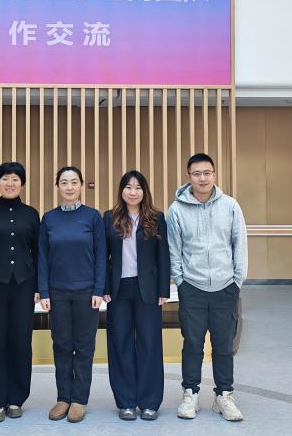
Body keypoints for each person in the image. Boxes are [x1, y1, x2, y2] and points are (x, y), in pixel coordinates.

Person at [167, 153, 248, 422]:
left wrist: (237, 281)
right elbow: (174, 250)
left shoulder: (230, 206)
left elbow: (239, 244)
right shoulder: (177, 210)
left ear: (214, 174)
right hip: (192, 287)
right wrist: (181, 282)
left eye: (207, 173)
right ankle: (190, 394)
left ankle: (223, 395)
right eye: (197, 174)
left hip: (225, 287)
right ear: (188, 177)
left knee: (223, 344)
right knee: (192, 343)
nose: (202, 178)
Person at [38, 166, 107, 423]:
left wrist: (99, 289)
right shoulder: (49, 218)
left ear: (81, 185)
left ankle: (79, 399)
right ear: (57, 186)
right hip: (57, 292)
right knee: (62, 345)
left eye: (74, 182)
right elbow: (42, 257)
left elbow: (102, 256)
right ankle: (63, 397)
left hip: (86, 292)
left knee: (84, 347)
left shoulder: (93, 217)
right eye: (64, 182)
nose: (69, 187)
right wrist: (44, 291)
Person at [0, 162, 41, 422]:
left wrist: (38, 288)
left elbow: (39, 253)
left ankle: (16, 398)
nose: (10, 183)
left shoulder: (31, 214)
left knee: (20, 341)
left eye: (15, 179)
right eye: (5, 178)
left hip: (24, 285)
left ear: (22, 184)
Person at [103, 170, 170, 421]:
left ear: (145, 191)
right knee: (119, 343)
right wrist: (104, 287)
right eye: (128, 187)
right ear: (121, 190)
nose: (133, 192)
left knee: (149, 343)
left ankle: (150, 402)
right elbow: (103, 255)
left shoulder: (156, 217)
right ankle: (126, 401)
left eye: (138, 187)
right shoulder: (109, 217)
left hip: (148, 289)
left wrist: (163, 289)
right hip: (118, 289)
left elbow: (163, 255)